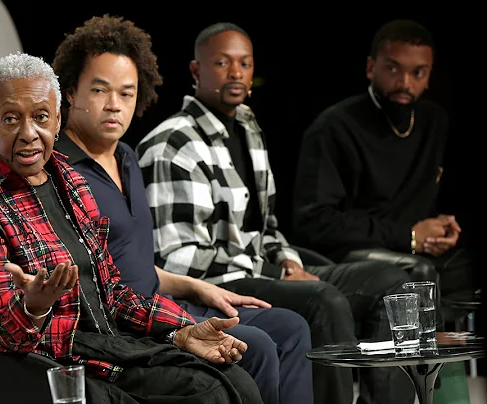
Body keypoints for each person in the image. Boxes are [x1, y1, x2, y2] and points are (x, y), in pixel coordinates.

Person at [0, 52, 262, 404]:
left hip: (112, 346)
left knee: (235, 380)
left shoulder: (71, 183)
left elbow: (112, 293)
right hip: (57, 367)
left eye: (41, 117)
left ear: (58, 119)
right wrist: (34, 307)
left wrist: (181, 329)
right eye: (11, 119)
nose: (29, 133)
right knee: (208, 393)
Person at [136, 22, 415, 404]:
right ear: (196, 71)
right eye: (222, 63)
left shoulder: (249, 127)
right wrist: (276, 275)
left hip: (260, 268)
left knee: (393, 281)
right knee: (324, 300)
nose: (236, 73)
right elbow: (180, 257)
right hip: (221, 282)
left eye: (245, 64)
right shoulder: (173, 144)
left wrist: (286, 263)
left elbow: (266, 226)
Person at [51, 15, 313, 404]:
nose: (114, 105)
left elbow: (135, 260)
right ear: (71, 92)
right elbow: (98, 280)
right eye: (100, 90)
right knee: (253, 344)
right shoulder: (61, 172)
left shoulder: (126, 157)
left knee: (291, 328)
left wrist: (201, 288)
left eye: (127, 93)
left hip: (165, 300)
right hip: (128, 323)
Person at [291, 19, 474, 300]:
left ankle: (458, 344)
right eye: (392, 69)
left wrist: (442, 227)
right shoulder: (334, 126)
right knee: (418, 273)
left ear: (429, 76)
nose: (404, 83)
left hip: (408, 245)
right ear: (370, 68)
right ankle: (422, 344)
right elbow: (315, 223)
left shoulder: (434, 121)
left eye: (418, 73)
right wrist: (409, 236)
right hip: (349, 251)